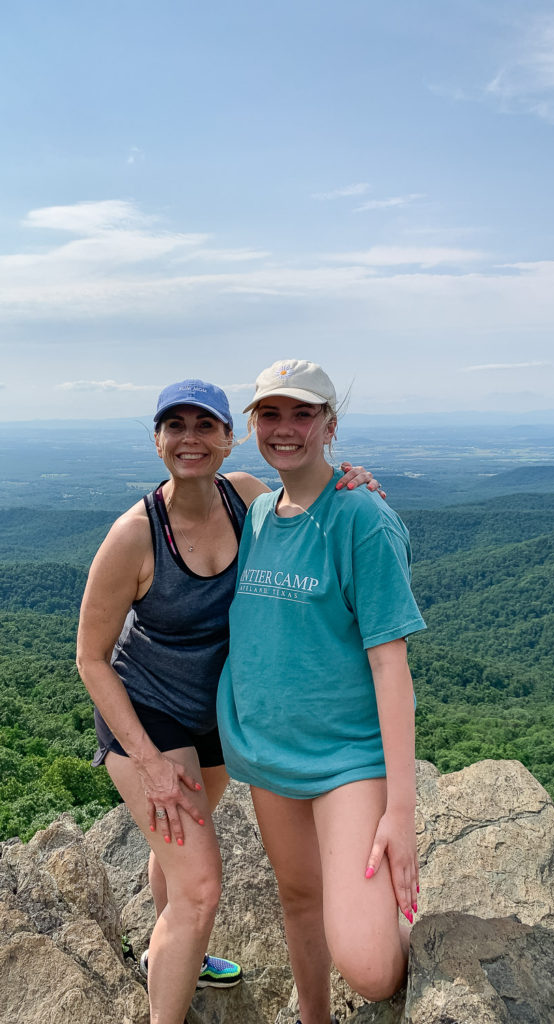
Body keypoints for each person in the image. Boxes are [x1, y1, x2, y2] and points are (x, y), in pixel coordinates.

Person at [76, 378, 381, 1024]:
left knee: (181, 863)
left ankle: (172, 946)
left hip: (216, 710)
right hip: (147, 712)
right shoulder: (135, 535)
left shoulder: (246, 498)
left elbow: (307, 522)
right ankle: (169, 991)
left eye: (205, 425)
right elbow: (90, 658)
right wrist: (149, 761)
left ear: (228, 437)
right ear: (157, 440)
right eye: (175, 426)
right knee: (202, 886)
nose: (191, 439)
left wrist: (350, 486)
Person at [217, 359, 426, 1024]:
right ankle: (313, 1016)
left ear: (330, 425)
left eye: (302, 413)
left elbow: (392, 667)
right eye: (270, 414)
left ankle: (391, 924)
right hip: (269, 754)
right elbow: (192, 481)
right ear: (252, 426)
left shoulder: (361, 517)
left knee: (368, 969)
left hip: (346, 758)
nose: (285, 428)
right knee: (298, 897)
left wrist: (400, 812)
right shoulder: (253, 513)